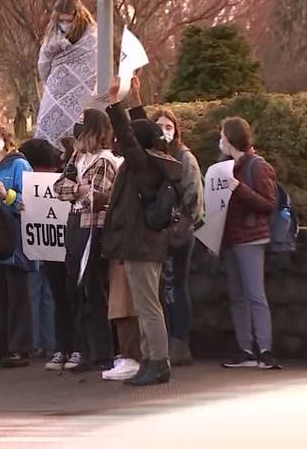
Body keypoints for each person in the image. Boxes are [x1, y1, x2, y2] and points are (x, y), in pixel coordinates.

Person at [102, 76, 181, 386]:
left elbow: (129, 132)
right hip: (146, 243)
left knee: (147, 306)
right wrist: (135, 98)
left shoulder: (142, 164)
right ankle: (150, 359)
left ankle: (158, 362)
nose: (121, 141)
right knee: (147, 303)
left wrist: (113, 103)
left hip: (141, 243)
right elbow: (141, 129)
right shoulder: (155, 158)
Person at [54, 109, 117, 372]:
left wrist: (79, 191)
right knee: (76, 288)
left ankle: (103, 351)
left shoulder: (105, 160)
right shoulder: (77, 157)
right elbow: (58, 188)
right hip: (74, 224)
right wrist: (78, 189)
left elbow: (98, 195)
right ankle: (85, 349)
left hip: (94, 228)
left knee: (93, 288)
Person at [218, 117, 281, 370]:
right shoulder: (224, 167)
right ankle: (245, 349)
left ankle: (265, 350)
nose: (219, 140)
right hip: (231, 238)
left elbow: (268, 203)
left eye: (222, 135)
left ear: (231, 139)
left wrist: (239, 189)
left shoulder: (258, 166)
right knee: (237, 296)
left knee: (255, 294)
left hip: (252, 238)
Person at [0, 120, 36, 368]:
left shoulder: (18, 164)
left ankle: (19, 348)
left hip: (14, 238)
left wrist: (7, 195)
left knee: (16, 297)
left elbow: (29, 201)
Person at [152, 108, 204, 366]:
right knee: (165, 289)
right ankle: (171, 341)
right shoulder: (156, 157)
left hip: (178, 231)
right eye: (159, 125)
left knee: (176, 287)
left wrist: (180, 228)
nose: (164, 130)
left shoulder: (184, 158)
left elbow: (194, 199)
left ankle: (180, 342)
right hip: (160, 232)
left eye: (169, 126)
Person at [18, 138, 62, 361]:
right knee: (47, 295)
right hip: (49, 244)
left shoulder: (26, 178)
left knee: (37, 294)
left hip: (34, 244)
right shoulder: (56, 177)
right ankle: (50, 343)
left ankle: (38, 343)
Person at [35, 0, 98, 145]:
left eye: (68, 20)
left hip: (83, 95)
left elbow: (95, 66)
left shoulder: (92, 38)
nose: (65, 25)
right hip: (55, 92)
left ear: (77, 17)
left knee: (79, 134)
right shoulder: (51, 38)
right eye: (61, 21)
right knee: (49, 130)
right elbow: (43, 65)